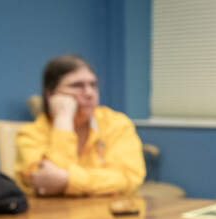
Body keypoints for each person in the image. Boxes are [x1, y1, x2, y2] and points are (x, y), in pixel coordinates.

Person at [15, 55, 145, 196]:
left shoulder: (115, 123)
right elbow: (47, 186)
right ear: (50, 94)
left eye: (93, 85)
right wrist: (63, 119)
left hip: (105, 213)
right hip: (51, 215)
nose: (89, 93)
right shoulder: (30, 135)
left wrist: (68, 180)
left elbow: (128, 179)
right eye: (77, 85)